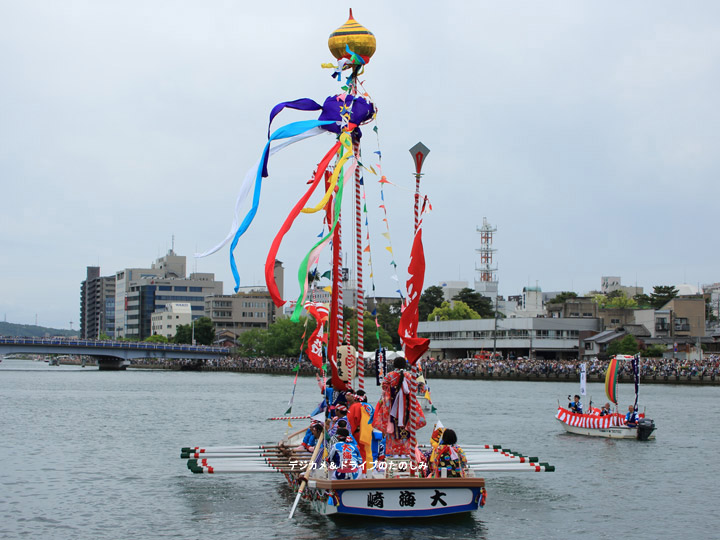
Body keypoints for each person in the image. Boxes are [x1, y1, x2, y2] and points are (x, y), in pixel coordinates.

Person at [372, 356, 427, 456]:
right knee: (406, 429)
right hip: (407, 409)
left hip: (392, 408)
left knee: (392, 429)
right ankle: (406, 453)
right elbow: (415, 388)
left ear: (394, 365)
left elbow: (384, 387)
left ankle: (394, 454)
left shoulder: (389, 376)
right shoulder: (409, 376)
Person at [347, 390, 375, 472]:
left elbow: (350, 422)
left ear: (356, 399)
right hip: (369, 432)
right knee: (368, 452)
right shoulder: (370, 407)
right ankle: (369, 470)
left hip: (358, 433)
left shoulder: (355, 407)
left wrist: (349, 434)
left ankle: (363, 472)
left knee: (360, 453)